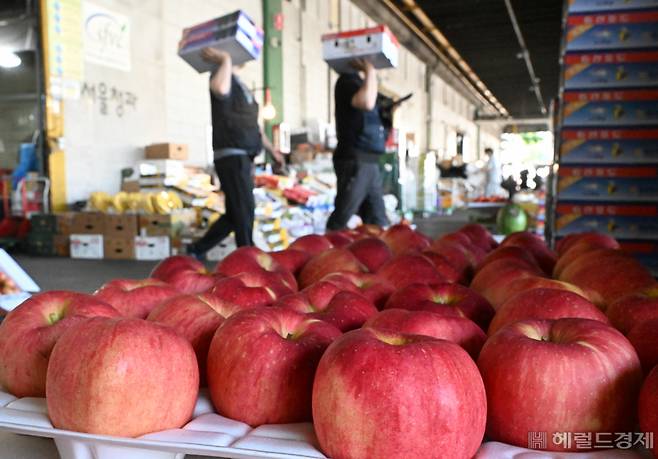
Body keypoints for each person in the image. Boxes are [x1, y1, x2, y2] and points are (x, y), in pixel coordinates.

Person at [187, 47, 282, 256]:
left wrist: (271, 149)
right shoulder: (222, 76)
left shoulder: (241, 85)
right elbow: (220, 89)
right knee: (245, 210)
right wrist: (225, 58)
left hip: (244, 156)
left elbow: (254, 126)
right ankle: (248, 257)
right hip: (232, 156)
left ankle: (195, 250)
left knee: (235, 213)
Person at [326, 59, 389, 231]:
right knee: (342, 217)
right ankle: (328, 252)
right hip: (355, 159)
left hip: (370, 161)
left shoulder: (360, 83)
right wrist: (370, 69)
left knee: (377, 217)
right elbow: (366, 102)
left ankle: (379, 252)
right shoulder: (346, 81)